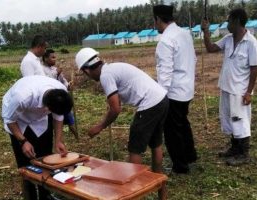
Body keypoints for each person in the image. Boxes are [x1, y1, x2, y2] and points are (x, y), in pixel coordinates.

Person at [75, 47, 169, 200]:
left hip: (149, 104)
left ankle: (135, 193)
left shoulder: (106, 75)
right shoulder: (112, 68)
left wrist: (100, 126)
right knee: (156, 143)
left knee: (135, 149)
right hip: (162, 99)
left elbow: (115, 109)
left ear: (86, 70)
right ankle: (160, 187)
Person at [201, 8, 257, 166]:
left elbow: (254, 68)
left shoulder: (251, 42)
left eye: (229, 20)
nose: (227, 23)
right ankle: (234, 148)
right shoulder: (228, 39)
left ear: (237, 21)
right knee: (228, 119)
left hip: (240, 91)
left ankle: (244, 153)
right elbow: (211, 48)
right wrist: (206, 31)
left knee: (240, 120)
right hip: (226, 87)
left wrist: (249, 92)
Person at [1, 75, 73, 200]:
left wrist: (58, 141)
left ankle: (45, 194)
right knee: (26, 164)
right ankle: (31, 195)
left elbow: (58, 117)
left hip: (40, 122)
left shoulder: (60, 92)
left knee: (45, 158)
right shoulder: (22, 96)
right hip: (18, 120)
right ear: (47, 108)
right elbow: (9, 119)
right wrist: (23, 141)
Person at [153, 4, 197, 174]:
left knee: (172, 130)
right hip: (186, 88)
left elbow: (165, 72)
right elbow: (192, 58)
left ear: (157, 19)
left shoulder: (165, 40)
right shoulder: (184, 34)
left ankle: (180, 165)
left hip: (173, 92)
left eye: (154, 21)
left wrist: (160, 96)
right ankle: (190, 156)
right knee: (183, 123)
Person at [42, 48, 78, 138]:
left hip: (62, 98)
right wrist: (56, 74)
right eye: (52, 57)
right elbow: (46, 82)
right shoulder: (42, 70)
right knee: (55, 121)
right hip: (52, 100)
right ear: (45, 58)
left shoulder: (55, 69)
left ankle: (77, 137)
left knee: (70, 119)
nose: (55, 59)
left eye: (55, 57)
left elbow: (63, 81)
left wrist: (68, 85)